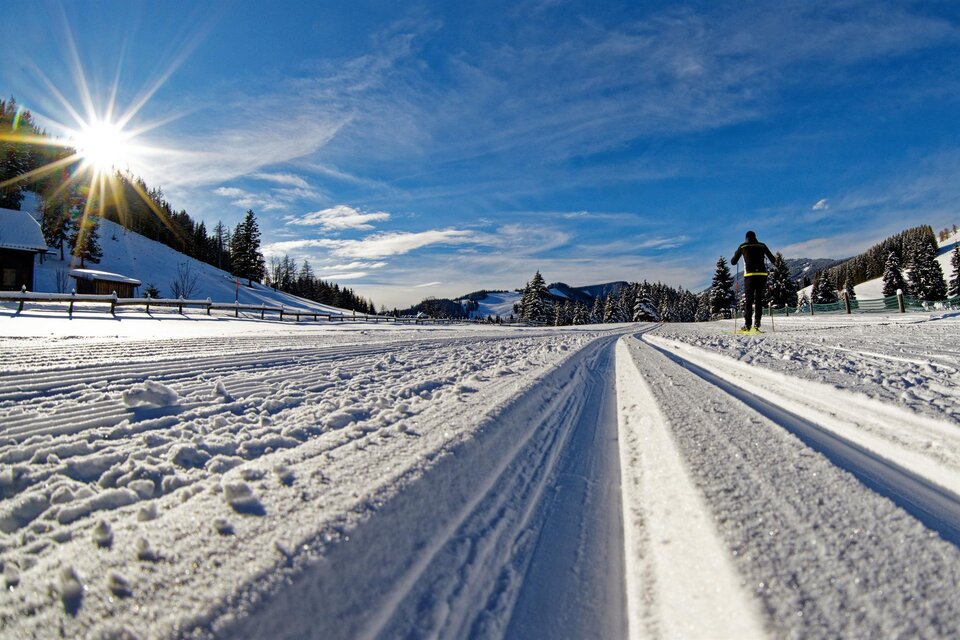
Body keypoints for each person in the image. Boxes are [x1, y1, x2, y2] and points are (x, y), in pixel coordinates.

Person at [731, 230, 776, 332]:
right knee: (759, 298)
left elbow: (733, 262)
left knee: (749, 300)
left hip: (750, 276)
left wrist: (737, 254)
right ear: (756, 237)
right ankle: (757, 321)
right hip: (762, 275)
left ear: (746, 238)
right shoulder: (762, 245)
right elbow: (773, 259)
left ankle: (747, 324)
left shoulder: (743, 246)